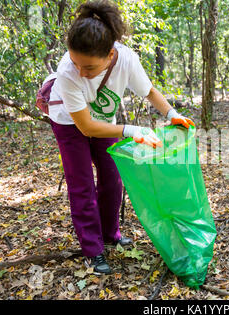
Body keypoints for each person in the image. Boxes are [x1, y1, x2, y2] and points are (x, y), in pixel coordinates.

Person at [47, 0, 195, 275]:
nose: (81, 71)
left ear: (110, 55)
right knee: (82, 186)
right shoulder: (68, 71)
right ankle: (93, 250)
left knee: (113, 179)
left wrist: (172, 113)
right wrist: (131, 130)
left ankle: (110, 233)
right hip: (69, 122)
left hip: (103, 121)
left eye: (89, 67)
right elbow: (87, 127)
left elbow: (148, 91)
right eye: (76, 63)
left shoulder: (126, 59)